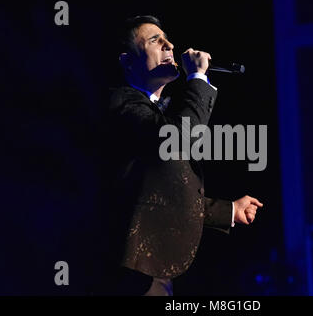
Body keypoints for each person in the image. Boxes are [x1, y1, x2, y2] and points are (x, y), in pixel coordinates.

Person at [104, 15, 263, 296]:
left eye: (167, 39)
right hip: (128, 271)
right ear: (128, 61)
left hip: (152, 267)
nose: (170, 45)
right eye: (155, 40)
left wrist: (229, 211)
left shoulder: (157, 115)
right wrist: (198, 78)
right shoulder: (121, 103)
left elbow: (166, 195)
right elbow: (179, 140)